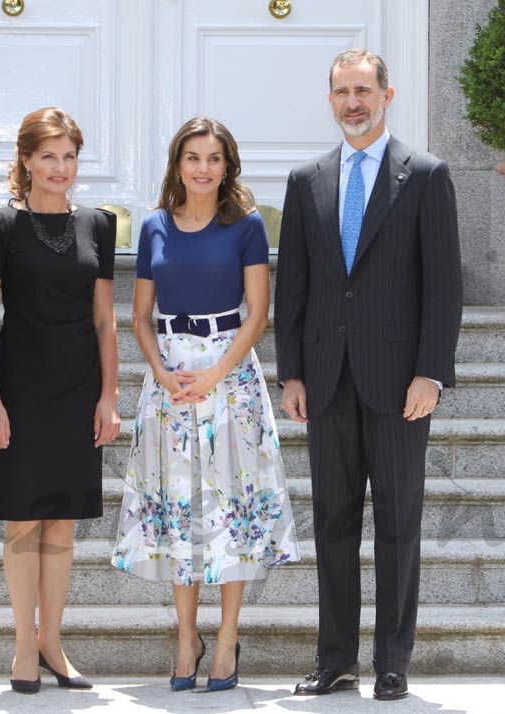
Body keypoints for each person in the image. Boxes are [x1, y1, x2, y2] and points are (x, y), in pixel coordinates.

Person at [275, 49, 463, 701]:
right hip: (325, 379)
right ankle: (336, 659)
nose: (352, 101)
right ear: (329, 100)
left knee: (398, 520)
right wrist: (290, 373)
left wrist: (431, 374)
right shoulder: (306, 182)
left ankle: (392, 661)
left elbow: (444, 287)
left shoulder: (428, 176)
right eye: (341, 91)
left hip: (399, 383)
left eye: (363, 89)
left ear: (389, 94)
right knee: (331, 520)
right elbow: (292, 288)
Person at [112, 117, 300, 693]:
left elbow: (258, 312)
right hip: (168, 377)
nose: (202, 168)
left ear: (227, 165)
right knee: (178, 505)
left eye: (213, 158)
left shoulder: (243, 226)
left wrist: (217, 372)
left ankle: (226, 641)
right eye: (192, 157)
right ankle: (187, 637)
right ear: (178, 164)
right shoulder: (153, 227)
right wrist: (162, 372)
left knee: (233, 505)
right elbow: (140, 315)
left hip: (229, 373)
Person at [0, 107, 121, 694]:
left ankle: (52, 644)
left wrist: (109, 396)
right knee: (22, 523)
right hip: (19, 386)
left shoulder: (99, 223)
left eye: (68, 156)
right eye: (48, 156)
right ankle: (21, 647)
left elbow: (106, 318)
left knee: (62, 523)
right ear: (26, 161)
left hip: (78, 388)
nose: (59, 168)